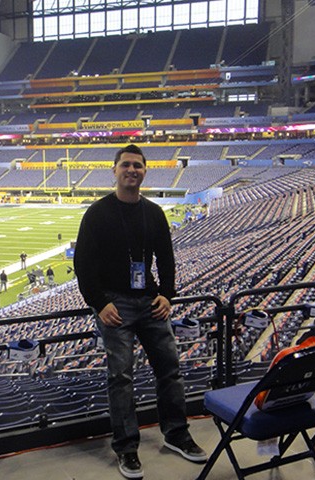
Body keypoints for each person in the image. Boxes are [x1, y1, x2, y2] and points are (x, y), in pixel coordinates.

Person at [73, 144, 206, 479]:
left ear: (145, 171)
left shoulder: (154, 212)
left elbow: (166, 258)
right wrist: (99, 303)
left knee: (170, 369)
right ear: (115, 170)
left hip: (149, 302)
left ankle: (177, 434)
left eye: (138, 166)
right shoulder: (98, 213)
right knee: (120, 378)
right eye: (126, 165)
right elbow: (83, 264)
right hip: (114, 303)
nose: (132, 170)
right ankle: (127, 448)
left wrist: (167, 294)